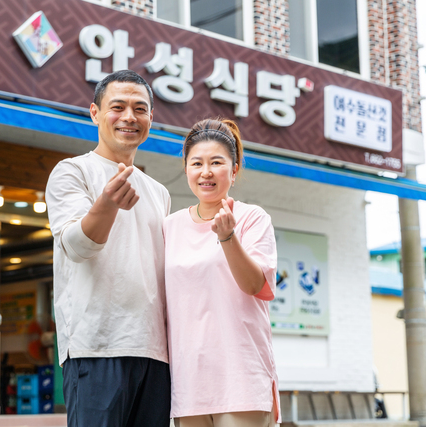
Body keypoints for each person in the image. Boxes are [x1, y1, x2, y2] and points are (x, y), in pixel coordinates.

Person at [46, 70, 171, 427]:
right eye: (117, 107)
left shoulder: (158, 192)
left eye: (140, 109)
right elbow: (76, 246)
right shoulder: (72, 172)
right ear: (94, 113)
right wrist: (107, 204)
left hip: (154, 351)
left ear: (150, 118)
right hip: (95, 347)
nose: (130, 117)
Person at [164, 118, 281, 427]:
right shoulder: (169, 226)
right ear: (186, 168)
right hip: (188, 379)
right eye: (196, 163)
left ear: (234, 169)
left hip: (241, 375)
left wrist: (228, 237)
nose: (206, 172)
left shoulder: (252, 218)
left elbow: (255, 284)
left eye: (216, 162)